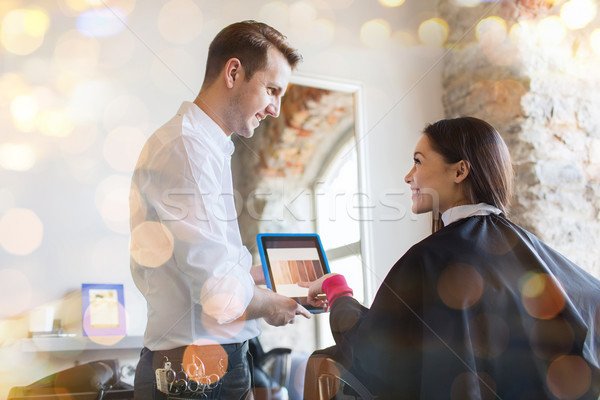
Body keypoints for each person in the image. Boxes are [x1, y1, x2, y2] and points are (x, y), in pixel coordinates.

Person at [301, 117, 600, 399]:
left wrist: (337, 289)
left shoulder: (429, 259)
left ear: (459, 171)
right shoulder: (532, 251)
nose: (408, 176)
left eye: (418, 162)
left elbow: (373, 352)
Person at [129, 21, 311, 399]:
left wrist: (267, 275)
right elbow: (220, 294)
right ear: (233, 72)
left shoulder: (204, 147)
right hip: (195, 377)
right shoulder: (188, 149)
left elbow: (213, 264)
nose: (276, 109)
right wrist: (274, 306)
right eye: (271, 90)